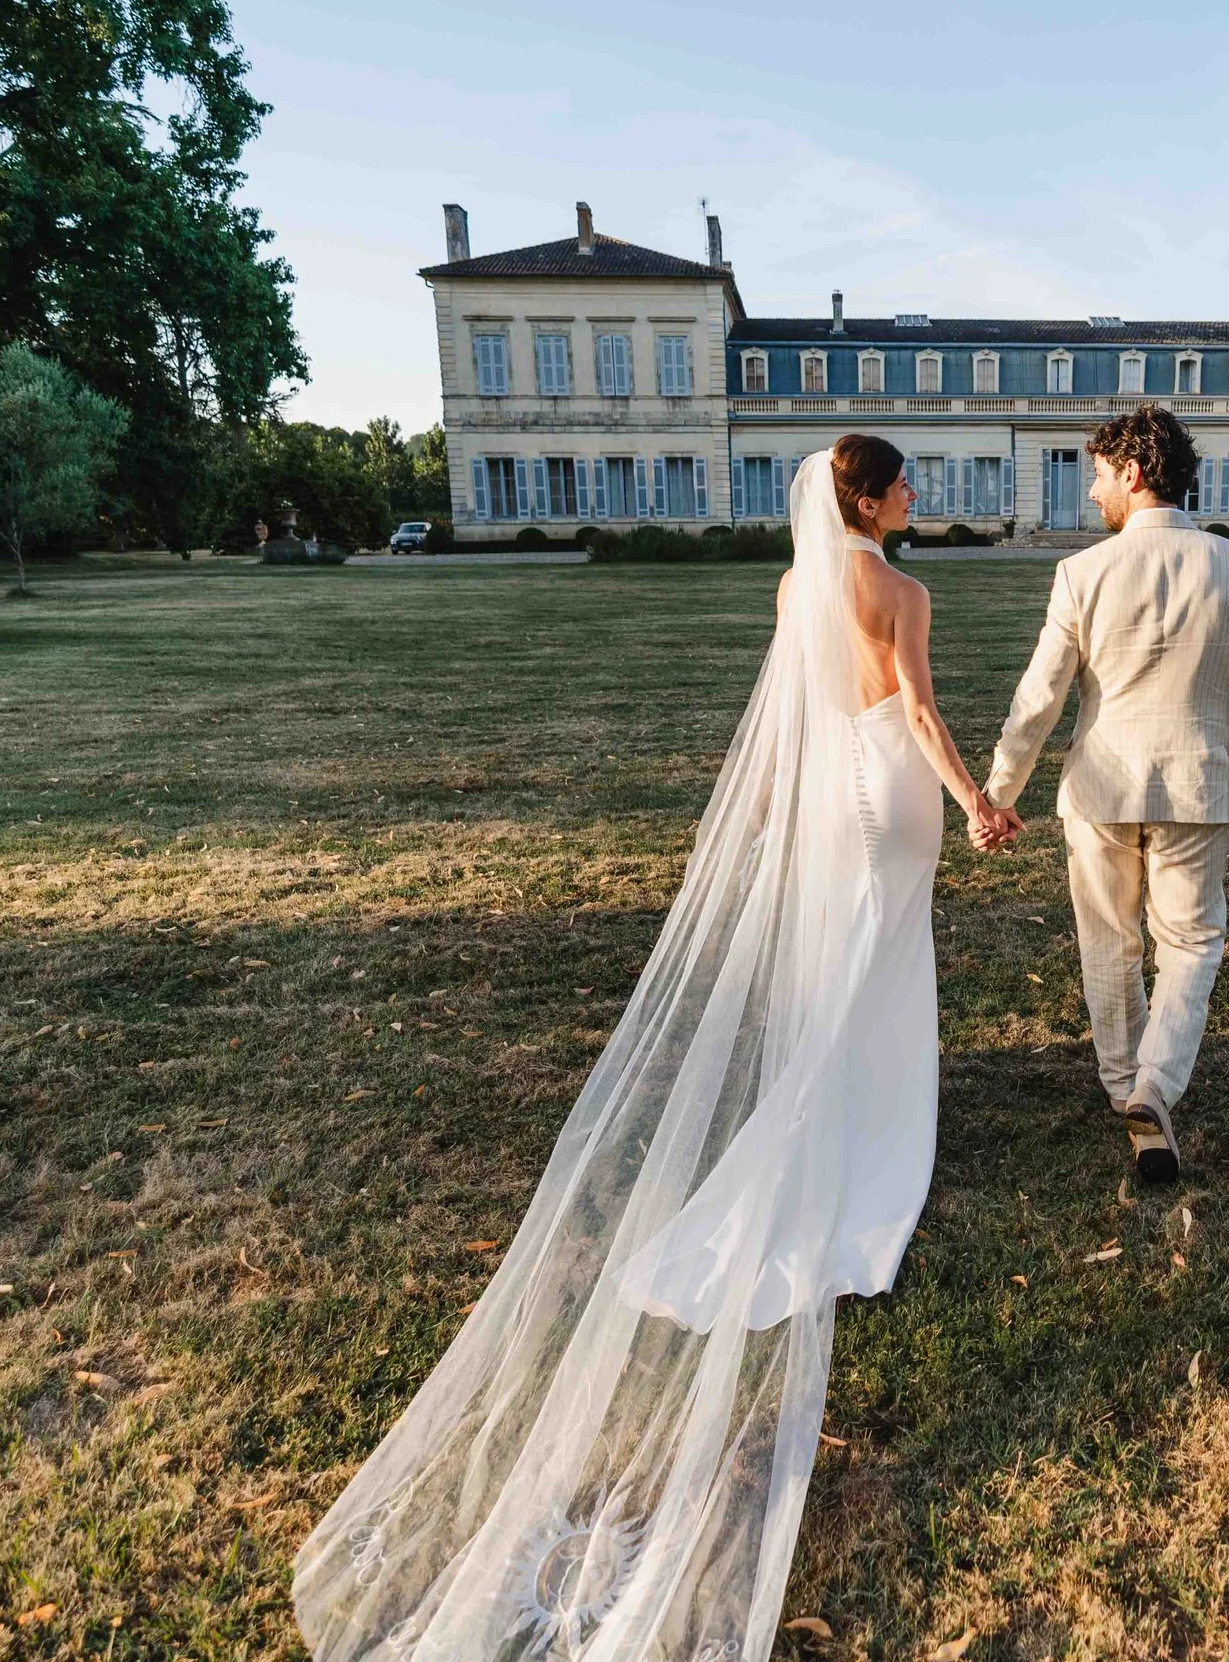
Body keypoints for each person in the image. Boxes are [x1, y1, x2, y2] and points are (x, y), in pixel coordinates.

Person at [291, 438, 1012, 1662]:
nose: (912, 499)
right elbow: (923, 712)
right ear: (868, 497)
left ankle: (832, 1129)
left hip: (826, 794)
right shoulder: (902, 588)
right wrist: (977, 802)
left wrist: (776, 814)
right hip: (894, 794)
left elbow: (793, 712)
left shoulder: (796, 582)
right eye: (901, 485)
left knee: (838, 975)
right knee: (884, 972)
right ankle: (864, 1147)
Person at [980, 404, 1229, 1183]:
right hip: (1198, 786)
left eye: (1098, 475)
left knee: (1108, 941)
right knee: (1190, 943)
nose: (1091, 492)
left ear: (1133, 471)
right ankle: (1154, 1087)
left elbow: (1039, 697)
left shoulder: (1081, 574)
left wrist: (1000, 789)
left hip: (1101, 786)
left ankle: (1127, 1089)